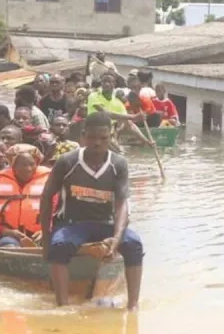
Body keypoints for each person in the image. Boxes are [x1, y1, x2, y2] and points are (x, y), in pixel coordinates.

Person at [40, 112, 143, 310]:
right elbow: (46, 198)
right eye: (92, 137)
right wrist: (46, 238)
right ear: (83, 136)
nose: (97, 143)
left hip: (105, 223)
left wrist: (116, 237)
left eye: (103, 138)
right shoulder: (67, 161)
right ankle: (62, 305)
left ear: (111, 137)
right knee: (59, 246)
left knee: (134, 245)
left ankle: (133, 305)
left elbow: (122, 204)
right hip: (72, 223)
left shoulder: (118, 164)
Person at [0, 144, 53, 248]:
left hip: (41, 236)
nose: (29, 169)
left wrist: (46, 230)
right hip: (11, 237)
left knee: (56, 246)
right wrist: (6, 231)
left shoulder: (49, 184)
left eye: (32, 164)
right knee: (9, 246)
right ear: (13, 166)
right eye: (23, 165)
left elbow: (59, 215)